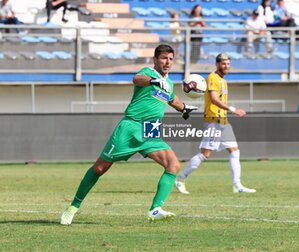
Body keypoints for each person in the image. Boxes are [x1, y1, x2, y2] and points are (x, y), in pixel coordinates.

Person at [60, 44, 198, 225]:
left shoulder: (168, 82)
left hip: (151, 129)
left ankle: (155, 209)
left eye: (171, 59)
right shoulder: (148, 73)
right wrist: (152, 81)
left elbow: (171, 97)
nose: (167, 62)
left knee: (173, 164)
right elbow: (137, 79)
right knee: (100, 168)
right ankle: (72, 207)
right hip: (131, 127)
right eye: (164, 58)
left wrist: (184, 108)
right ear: (155, 59)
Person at [175, 53, 256, 194]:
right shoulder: (212, 78)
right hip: (213, 121)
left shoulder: (223, 80)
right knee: (205, 154)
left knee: (235, 151)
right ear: (217, 64)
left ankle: (237, 185)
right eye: (223, 63)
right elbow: (213, 99)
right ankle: (180, 179)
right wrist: (233, 109)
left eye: (228, 64)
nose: (226, 66)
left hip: (224, 122)